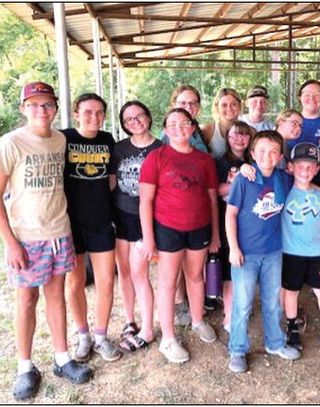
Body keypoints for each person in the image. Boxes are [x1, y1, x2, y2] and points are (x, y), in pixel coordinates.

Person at [0, 82, 92, 401]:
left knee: (56, 295)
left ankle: (62, 358)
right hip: (26, 237)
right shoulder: (10, 143)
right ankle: (25, 367)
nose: (42, 110)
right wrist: (10, 242)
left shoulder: (60, 140)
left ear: (55, 108)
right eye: (35, 104)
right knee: (26, 300)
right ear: (24, 108)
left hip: (59, 231)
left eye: (48, 104)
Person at [139, 108, 220, 364]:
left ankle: (198, 320)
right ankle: (168, 339)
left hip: (200, 227)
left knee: (196, 276)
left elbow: (211, 198)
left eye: (184, 123)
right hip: (168, 228)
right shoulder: (156, 157)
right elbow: (145, 201)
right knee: (168, 281)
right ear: (165, 129)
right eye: (172, 123)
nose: (179, 128)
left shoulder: (204, 160)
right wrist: (149, 238)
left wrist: (216, 234)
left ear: (193, 127)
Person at [225, 130, 300, 373]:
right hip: (246, 253)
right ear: (253, 154)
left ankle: (275, 342)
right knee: (243, 303)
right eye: (262, 151)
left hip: (274, 252)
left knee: (272, 302)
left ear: (280, 156)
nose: (268, 156)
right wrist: (233, 247)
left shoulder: (283, 179)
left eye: (273, 151)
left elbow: (304, 187)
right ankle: (237, 348)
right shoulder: (244, 179)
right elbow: (231, 214)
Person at [61, 93, 121, 362]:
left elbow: (111, 180)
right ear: (76, 113)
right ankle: (83, 335)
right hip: (70, 222)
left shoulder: (107, 140)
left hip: (100, 222)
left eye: (99, 112)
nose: (94, 117)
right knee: (75, 282)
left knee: (106, 280)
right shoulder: (64, 138)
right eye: (87, 112)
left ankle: (100, 335)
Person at [281, 142, 320, 356]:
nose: (305, 170)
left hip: (316, 253)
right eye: (300, 166)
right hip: (291, 253)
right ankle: (292, 328)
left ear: (318, 169)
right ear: (290, 167)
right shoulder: (283, 190)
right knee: (291, 292)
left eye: (311, 166)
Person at [112, 101, 162, 351]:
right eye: (129, 119)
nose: (135, 121)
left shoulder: (160, 148)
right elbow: (112, 182)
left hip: (147, 218)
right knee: (124, 271)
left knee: (139, 272)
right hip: (122, 215)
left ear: (148, 117)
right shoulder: (119, 148)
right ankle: (130, 320)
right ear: (124, 124)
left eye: (140, 116)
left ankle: (148, 327)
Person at [165, 84, 209, 326]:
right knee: (177, 265)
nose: (189, 107)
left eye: (193, 103)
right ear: (175, 104)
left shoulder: (198, 132)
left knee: (192, 265)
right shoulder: (170, 135)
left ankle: (194, 309)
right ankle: (180, 303)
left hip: (198, 208)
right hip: (173, 212)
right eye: (183, 103)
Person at [215, 121, 254, 333]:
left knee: (246, 266)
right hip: (228, 221)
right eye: (235, 135)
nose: (239, 139)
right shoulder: (221, 162)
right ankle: (229, 316)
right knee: (230, 270)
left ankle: (244, 307)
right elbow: (216, 189)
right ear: (227, 139)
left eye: (244, 135)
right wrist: (238, 183)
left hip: (251, 223)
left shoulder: (255, 158)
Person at [201, 88, 243, 158]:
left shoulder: (250, 131)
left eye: (233, 104)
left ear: (239, 106)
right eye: (224, 105)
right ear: (217, 107)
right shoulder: (207, 131)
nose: (229, 108)